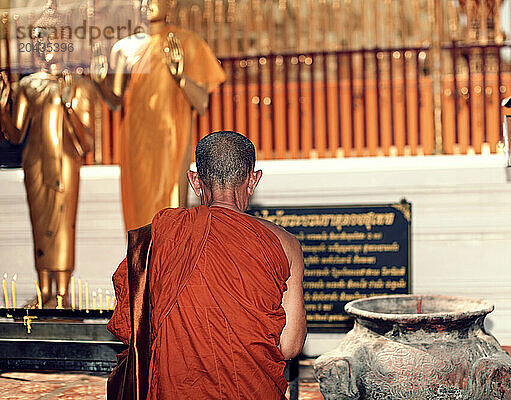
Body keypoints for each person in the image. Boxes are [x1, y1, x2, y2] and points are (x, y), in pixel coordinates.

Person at [107, 131, 307, 399]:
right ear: (253, 180)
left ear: (194, 181)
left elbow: (133, 324)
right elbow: (290, 346)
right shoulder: (285, 244)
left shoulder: (161, 235)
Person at [91, 0, 226, 232]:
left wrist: (180, 76)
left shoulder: (186, 43)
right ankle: (141, 265)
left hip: (171, 139)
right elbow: (115, 102)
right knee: (139, 219)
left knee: (171, 215)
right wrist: (100, 81)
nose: (147, 3)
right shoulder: (124, 48)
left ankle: (170, 265)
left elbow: (202, 103)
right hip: (136, 141)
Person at [0, 1, 95, 306]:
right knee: (39, 224)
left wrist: (68, 106)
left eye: (52, 38)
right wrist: (2, 107)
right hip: (34, 163)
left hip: (65, 163)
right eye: (40, 38)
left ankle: (64, 293)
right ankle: (44, 291)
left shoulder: (77, 84)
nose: (46, 45)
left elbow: (87, 142)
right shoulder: (28, 85)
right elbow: (15, 134)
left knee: (63, 224)